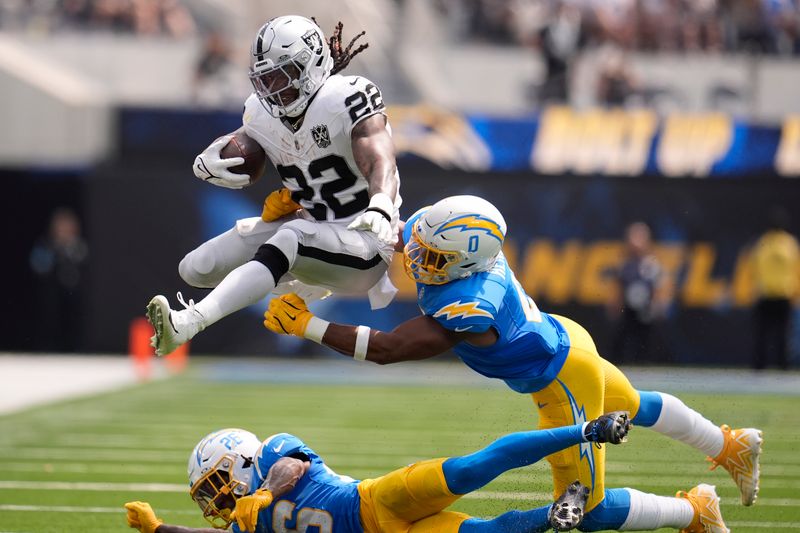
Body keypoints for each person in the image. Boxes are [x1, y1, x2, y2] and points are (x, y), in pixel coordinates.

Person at [265, 195, 763, 532]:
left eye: (432, 257)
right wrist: (313, 206)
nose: (417, 257)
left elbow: (390, 348)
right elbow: (385, 232)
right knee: (636, 403)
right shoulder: (453, 245)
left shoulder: (471, 303)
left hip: (561, 378)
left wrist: (307, 325)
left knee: (585, 510)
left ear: (465, 263)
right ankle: (728, 444)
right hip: (567, 338)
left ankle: (693, 511)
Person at [147, 15, 401, 356]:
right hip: (314, 228)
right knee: (196, 267)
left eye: (283, 75)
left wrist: (382, 204)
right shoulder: (259, 112)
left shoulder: (346, 97)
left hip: (365, 243)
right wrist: (211, 157)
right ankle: (290, 274)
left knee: (290, 237)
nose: (273, 87)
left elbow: (379, 157)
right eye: (266, 78)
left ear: (311, 66)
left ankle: (190, 322)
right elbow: (243, 142)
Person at [124, 414, 634, 533]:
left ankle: (587, 429)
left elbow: (290, 467)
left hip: (375, 501)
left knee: (475, 467)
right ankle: (555, 513)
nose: (215, 500)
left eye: (215, 483)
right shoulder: (243, 521)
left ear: (237, 459)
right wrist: (159, 529)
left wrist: (258, 496)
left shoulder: (270, 454)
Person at [606, 221, 669, 364]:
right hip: (628, 311)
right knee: (621, 341)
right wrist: (615, 305)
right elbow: (619, 288)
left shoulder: (651, 264)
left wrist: (658, 305)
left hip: (646, 311)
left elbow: (658, 287)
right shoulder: (625, 264)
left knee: (647, 343)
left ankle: (647, 366)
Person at [29, 207, 89, 352]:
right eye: (60, 227)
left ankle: (75, 349)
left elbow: (83, 263)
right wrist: (55, 251)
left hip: (73, 297)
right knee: (50, 321)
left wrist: (68, 250)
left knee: (73, 323)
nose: (64, 230)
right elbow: (37, 266)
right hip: (51, 297)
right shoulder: (45, 245)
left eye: (67, 227)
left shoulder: (78, 246)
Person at [751, 206, 800, 370]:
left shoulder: (763, 242)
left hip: (766, 294)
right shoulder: (790, 243)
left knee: (764, 334)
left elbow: (754, 268)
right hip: (783, 295)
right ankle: (782, 366)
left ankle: (760, 367)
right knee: (781, 335)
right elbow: (796, 269)